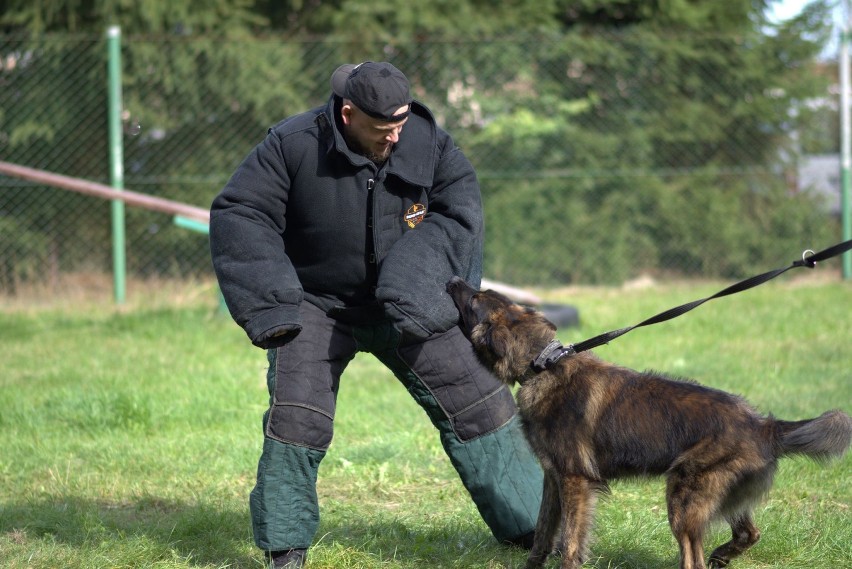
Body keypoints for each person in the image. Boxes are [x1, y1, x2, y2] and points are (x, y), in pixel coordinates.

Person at [209, 61, 543, 568]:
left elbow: (460, 212)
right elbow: (241, 212)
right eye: (383, 127)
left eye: (401, 124)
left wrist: (415, 279)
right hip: (316, 303)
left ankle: (533, 528)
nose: (394, 137)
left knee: (482, 404)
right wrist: (273, 301)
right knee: (298, 419)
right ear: (348, 114)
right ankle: (286, 549)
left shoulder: (430, 145)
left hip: (408, 303)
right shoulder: (292, 143)